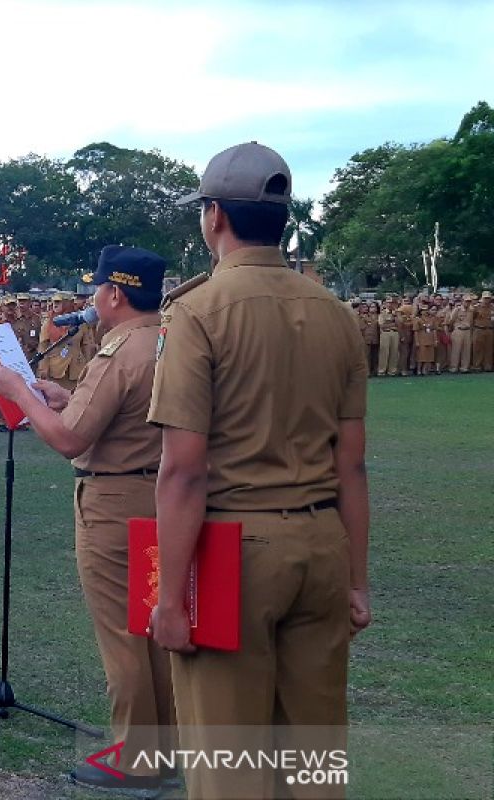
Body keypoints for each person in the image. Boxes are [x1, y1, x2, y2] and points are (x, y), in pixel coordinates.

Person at [148, 142, 370, 798]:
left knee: (229, 766)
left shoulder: (197, 312)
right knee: (316, 758)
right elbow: (351, 467)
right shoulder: (336, 314)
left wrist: (167, 599)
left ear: (214, 217)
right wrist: (357, 578)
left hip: (233, 553)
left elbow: (183, 471)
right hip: (322, 542)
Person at [0, 246, 175, 792]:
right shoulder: (164, 339)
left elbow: (71, 438)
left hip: (114, 506)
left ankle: (134, 761)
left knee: (124, 637)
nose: (93, 297)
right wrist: (63, 395)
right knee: (154, 631)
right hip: (158, 498)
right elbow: (125, 416)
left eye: (96, 288)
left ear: (114, 293)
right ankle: (164, 750)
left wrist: (21, 391)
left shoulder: (118, 350)